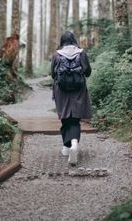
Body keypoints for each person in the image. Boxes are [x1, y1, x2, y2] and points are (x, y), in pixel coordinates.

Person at [51, 31, 92, 165]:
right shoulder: (81, 53)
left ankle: (66, 147)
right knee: (75, 119)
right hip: (78, 90)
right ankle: (74, 144)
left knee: (65, 117)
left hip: (61, 91)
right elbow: (88, 72)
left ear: (62, 41)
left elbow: (53, 74)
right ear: (74, 40)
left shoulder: (57, 54)